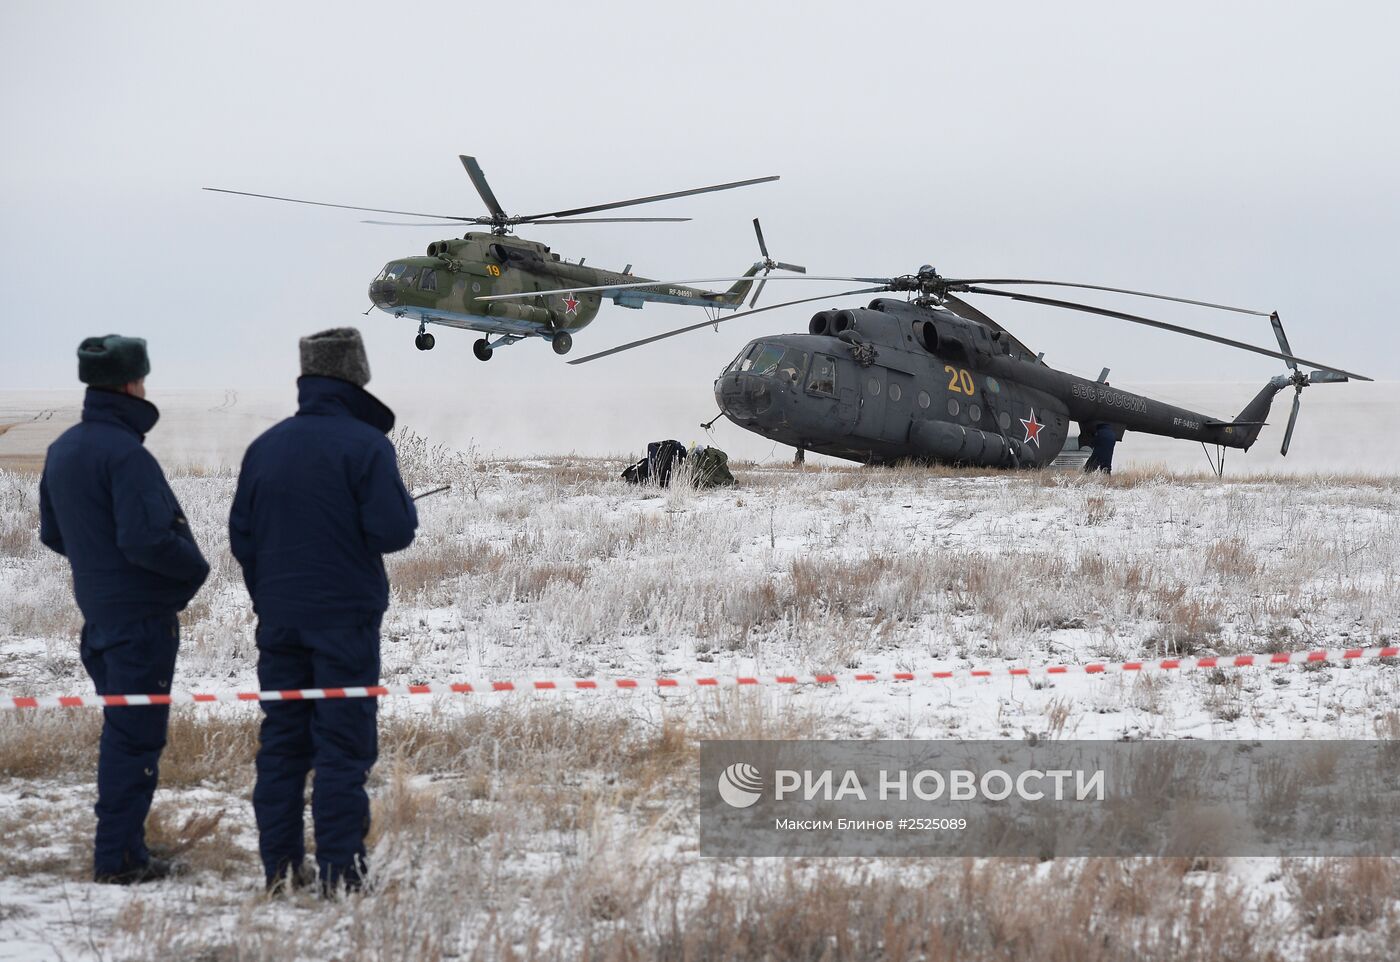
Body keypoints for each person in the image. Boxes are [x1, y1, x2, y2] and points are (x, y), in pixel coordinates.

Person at [228, 328, 417, 894]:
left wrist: (270, 597)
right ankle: (340, 874)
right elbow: (395, 530)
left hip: (279, 623)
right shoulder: (367, 447)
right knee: (342, 748)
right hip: (345, 625)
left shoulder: (265, 447)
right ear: (355, 374)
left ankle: (280, 873)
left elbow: (242, 537)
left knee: (282, 746)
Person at [38, 335, 210, 885]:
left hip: (99, 617)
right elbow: (146, 540)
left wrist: (99, 569)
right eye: (143, 378)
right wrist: (194, 569)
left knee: (123, 732)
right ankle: (118, 860)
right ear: (132, 383)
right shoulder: (126, 454)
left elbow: (53, 533)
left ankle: (125, 848)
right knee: (134, 740)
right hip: (139, 624)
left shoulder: (64, 448)